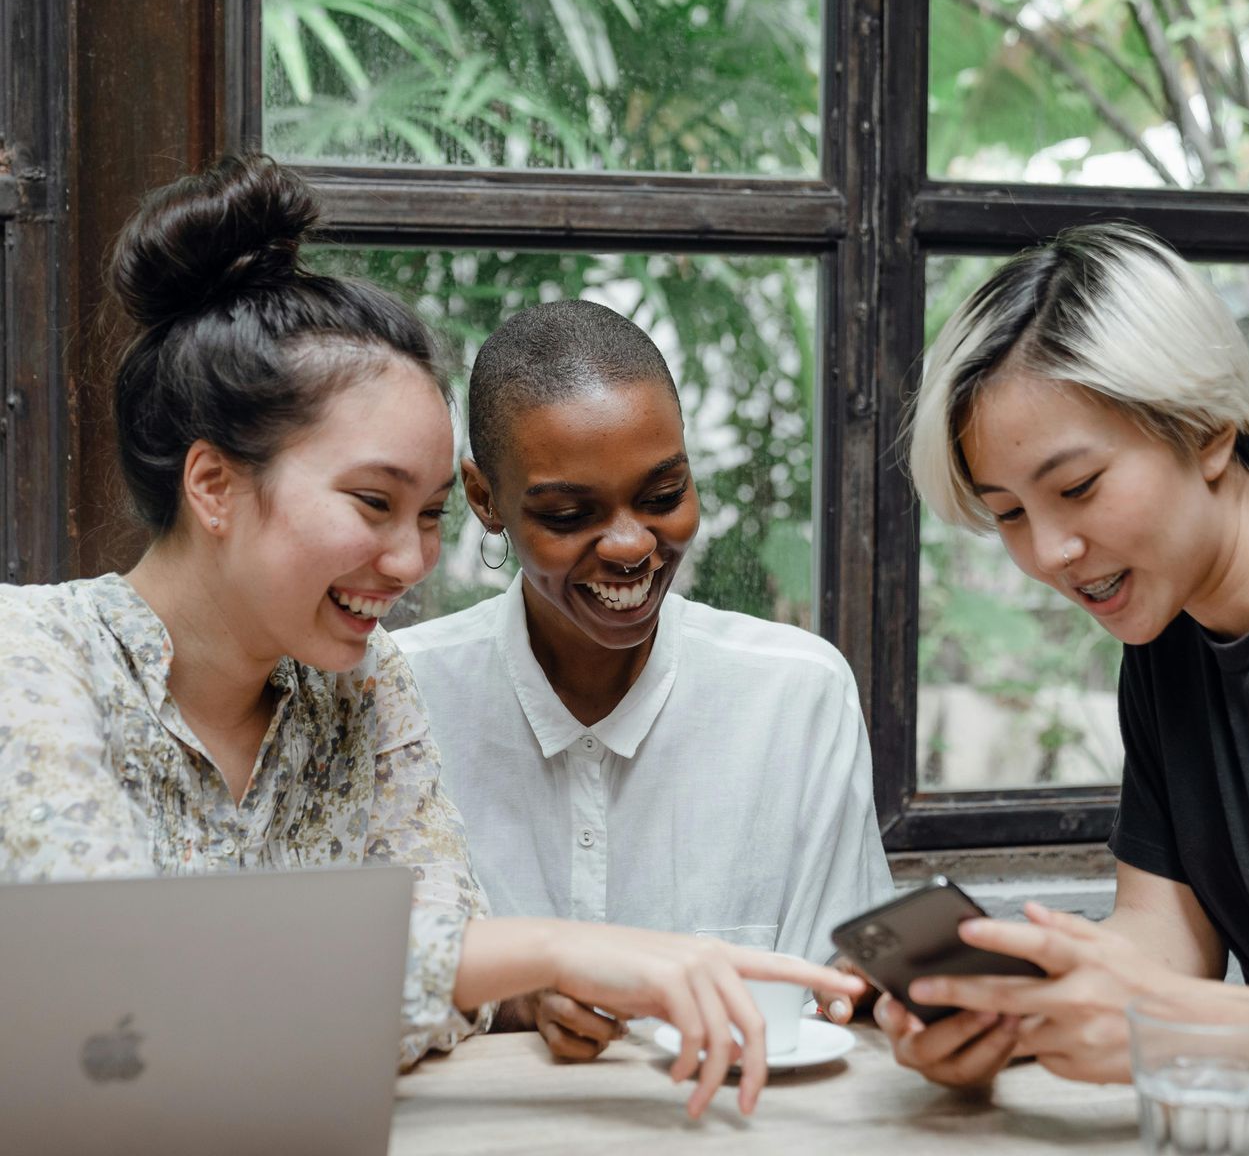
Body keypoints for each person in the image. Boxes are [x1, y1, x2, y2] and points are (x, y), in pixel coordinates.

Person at [0, 155, 865, 1120]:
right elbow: (105, 1004)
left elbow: (447, 993)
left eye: (429, 516)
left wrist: (443, 980)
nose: (412, 563)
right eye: (374, 502)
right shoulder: (30, 659)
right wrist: (547, 950)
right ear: (213, 485)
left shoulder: (361, 687)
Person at [395, 299, 892, 1062]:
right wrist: (517, 995)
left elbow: (842, 995)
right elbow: (345, 985)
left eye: (664, 497)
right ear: (485, 498)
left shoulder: (796, 697)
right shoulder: (402, 701)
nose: (631, 545)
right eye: (568, 513)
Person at [887, 221, 1249, 1087]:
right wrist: (1015, 1011)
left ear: (1209, 427)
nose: (1050, 554)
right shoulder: (1168, 636)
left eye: (1077, 488)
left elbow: (1172, 1002)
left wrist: (1169, 1022)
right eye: (1010, 514)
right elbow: (1165, 935)